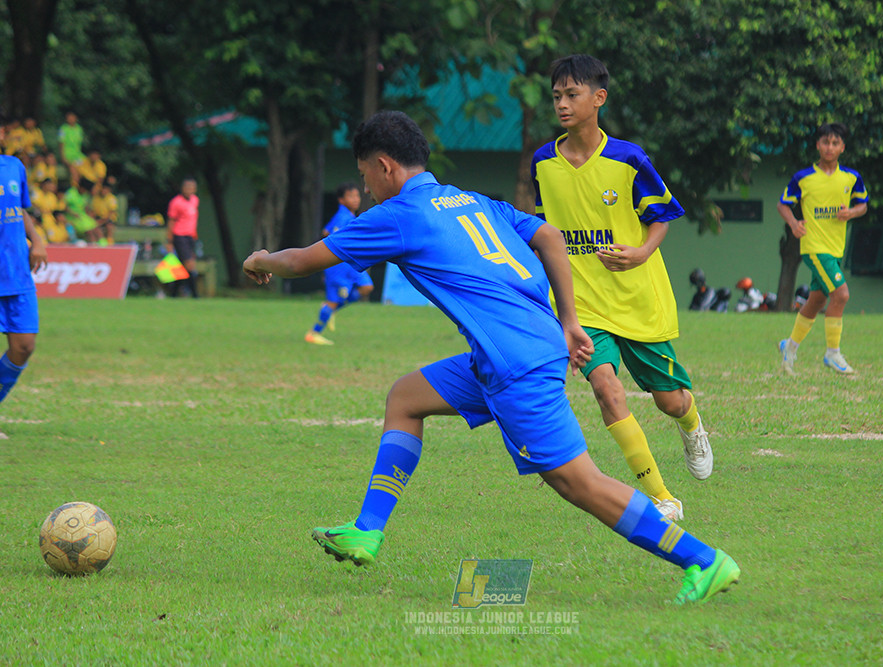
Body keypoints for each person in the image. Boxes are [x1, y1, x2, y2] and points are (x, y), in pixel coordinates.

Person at [242, 111, 740, 604]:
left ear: (385, 166)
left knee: (579, 482)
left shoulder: (398, 215)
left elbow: (301, 261)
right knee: (406, 398)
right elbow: (547, 236)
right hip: (522, 345)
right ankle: (367, 529)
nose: (367, 188)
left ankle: (703, 558)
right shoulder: (473, 201)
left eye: (365, 175)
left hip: (516, 363)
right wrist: (568, 320)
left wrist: (259, 259)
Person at [530, 54, 712, 522]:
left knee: (670, 401)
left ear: (599, 98)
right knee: (607, 392)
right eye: (556, 97)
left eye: (572, 95)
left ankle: (691, 426)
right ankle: (661, 497)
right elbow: (543, 228)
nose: (562, 105)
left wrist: (641, 252)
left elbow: (662, 216)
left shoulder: (629, 158)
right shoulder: (543, 163)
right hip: (583, 306)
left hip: (637, 301)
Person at [777, 122, 869, 375]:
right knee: (841, 295)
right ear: (818, 145)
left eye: (835, 143)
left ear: (842, 147)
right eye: (825, 142)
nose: (830, 147)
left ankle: (790, 346)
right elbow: (783, 205)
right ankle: (832, 354)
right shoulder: (803, 178)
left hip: (835, 248)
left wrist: (852, 212)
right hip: (814, 247)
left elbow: (863, 204)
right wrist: (794, 223)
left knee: (817, 300)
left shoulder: (851, 177)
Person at [0, 99, 48, 439]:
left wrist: (37, 240)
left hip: (16, 274)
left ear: (1, 131)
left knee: (24, 345)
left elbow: (21, 210)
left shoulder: (14, 167)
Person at [304, 182, 372, 345]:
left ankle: (330, 309)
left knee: (366, 288)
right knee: (335, 299)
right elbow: (332, 238)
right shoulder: (343, 217)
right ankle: (313, 333)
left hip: (350, 264)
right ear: (341, 200)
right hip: (340, 267)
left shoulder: (346, 215)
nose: (356, 199)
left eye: (357, 195)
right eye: (351, 196)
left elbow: (325, 231)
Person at [166, 177, 201, 298]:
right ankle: (196, 295)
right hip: (180, 236)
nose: (189, 189)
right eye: (187, 187)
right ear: (182, 188)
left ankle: (173, 295)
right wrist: (169, 241)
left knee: (183, 267)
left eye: (192, 187)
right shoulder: (176, 202)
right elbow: (171, 221)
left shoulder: (195, 200)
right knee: (190, 265)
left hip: (190, 237)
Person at [57, 111, 86, 184]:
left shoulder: (79, 129)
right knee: (74, 172)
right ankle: (75, 187)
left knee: (85, 168)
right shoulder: (63, 129)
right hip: (68, 155)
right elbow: (61, 143)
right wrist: (63, 157)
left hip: (77, 155)